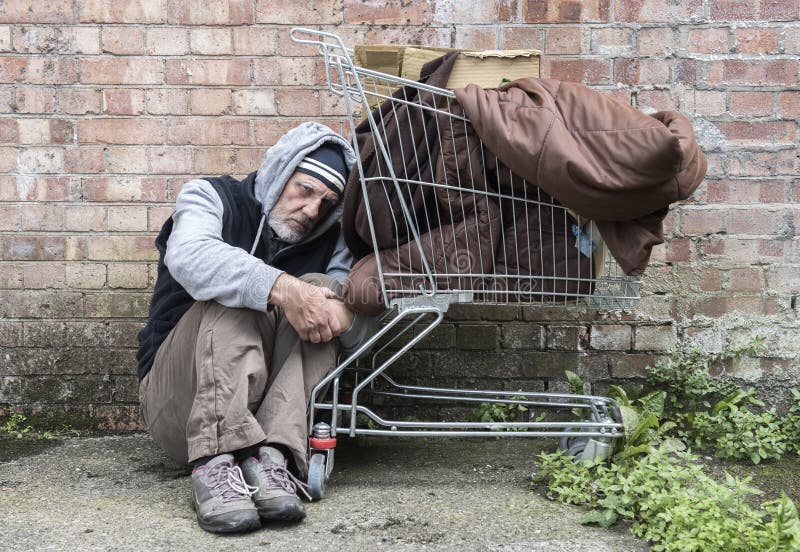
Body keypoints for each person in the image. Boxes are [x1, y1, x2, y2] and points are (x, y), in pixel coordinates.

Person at [136, 122, 374, 534]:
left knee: (324, 292)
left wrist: (345, 319)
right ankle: (214, 465)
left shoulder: (331, 240)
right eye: (304, 190)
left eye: (327, 201)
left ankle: (273, 460)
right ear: (279, 173)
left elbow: (356, 334)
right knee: (240, 287)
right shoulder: (209, 196)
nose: (312, 210)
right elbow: (191, 256)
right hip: (181, 405)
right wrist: (280, 288)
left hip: (269, 417)